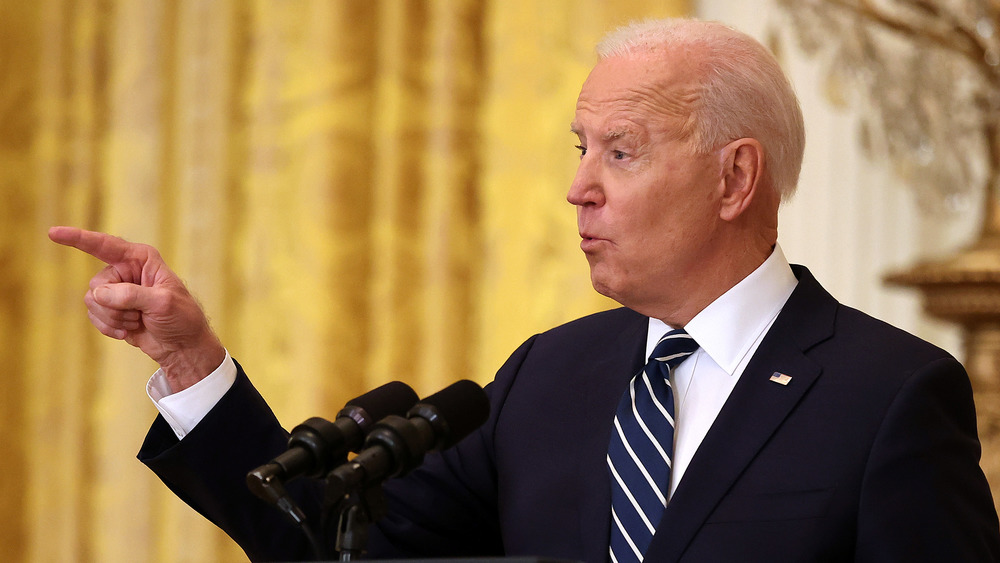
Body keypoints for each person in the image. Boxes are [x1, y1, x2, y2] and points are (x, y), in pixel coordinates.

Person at [50, 18, 1000, 562]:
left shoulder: (889, 394)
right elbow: (332, 544)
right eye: (581, 149)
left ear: (734, 178)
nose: (579, 186)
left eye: (621, 153)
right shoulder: (551, 377)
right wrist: (190, 362)